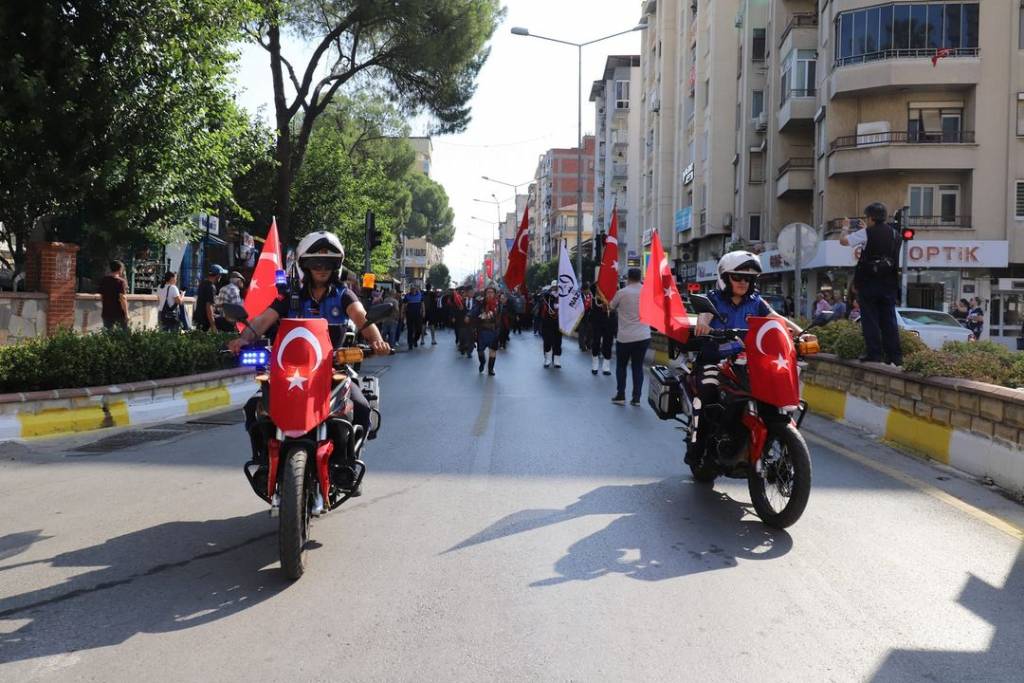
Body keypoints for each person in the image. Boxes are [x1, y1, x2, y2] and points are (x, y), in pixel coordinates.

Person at [228, 231, 390, 448]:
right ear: (305, 266)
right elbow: (261, 321)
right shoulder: (288, 297)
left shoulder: (343, 295)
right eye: (316, 263)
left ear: (336, 266)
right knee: (254, 406)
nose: (321, 269)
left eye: (327, 263)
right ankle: (263, 460)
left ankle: (348, 464)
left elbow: (363, 320)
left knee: (361, 408)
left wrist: (377, 342)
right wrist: (242, 339)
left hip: (333, 368)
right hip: (289, 371)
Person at [685, 251, 801, 464]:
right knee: (707, 392)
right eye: (737, 277)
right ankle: (697, 445)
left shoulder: (756, 302)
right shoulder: (714, 299)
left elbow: (777, 320)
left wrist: (801, 333)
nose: (742, 282)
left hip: (748, 362)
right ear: (725, 278)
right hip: (715, 361)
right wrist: (703, 323)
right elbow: (705, 315)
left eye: (748, 278)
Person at [840, 203, 902, 365]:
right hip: (889, 284)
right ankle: (894, 356)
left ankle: (874, 353)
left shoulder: (866, 233)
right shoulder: (895, 234)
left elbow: (844, 242)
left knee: (870, 319)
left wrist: (845, 228)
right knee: (889, 320)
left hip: (869, 283)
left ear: (870, 218)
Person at [608, 268, 650, 405]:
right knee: (638, 367)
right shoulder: (647, 292)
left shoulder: (622, 293)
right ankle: (636, 398)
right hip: (643, 335)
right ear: (640, 277)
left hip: (625, 337)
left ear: (628, 278)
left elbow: (611, 307)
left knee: (621, 366)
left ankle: (621, 396)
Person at [472, 286, 503, 375]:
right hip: (482, 331)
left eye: (491, 292)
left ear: (495, 294)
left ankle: (491, 369)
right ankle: (482, 362)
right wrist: (479, 316)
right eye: (488, 292)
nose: (489, 294)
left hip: (494, 331)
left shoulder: (498, 304)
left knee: (493, 351)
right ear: (485, 294)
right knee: (480, 351)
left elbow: (500, 315)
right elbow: (474, 312)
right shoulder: (480, 303)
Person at [589, 283, 616, 376]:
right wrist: (600, 283)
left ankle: (606, 367)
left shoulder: (614, 287)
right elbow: (592, 288)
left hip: (609, 319)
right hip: (597, 320)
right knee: (596, 341)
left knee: (608, 343)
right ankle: (595, 365)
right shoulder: (595, 287)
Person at [193, 264, 226, 331]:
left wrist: (219, 305)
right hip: (205, 320)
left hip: (199, 318)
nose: (221, 277)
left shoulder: (202, 284)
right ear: (218, 275)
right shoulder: (211, 287)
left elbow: (203, 301)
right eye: (221, 275)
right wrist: (213, 325)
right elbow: (208, 306)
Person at [99, 260, 129, 330]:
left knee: (108, 336)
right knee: (124, 334)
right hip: (119, 313)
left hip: (106, 312)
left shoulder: (104, 280)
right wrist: (126, 314)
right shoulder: (121, 282)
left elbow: (102, 297)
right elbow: (123, 298)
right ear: (120, 269)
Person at [540, 282, 562, 368]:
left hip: (558, 323)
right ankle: (547, 359)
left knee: (558, 342)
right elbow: (544, 295)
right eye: (554, 287)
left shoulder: (562, 297)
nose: (555, 289)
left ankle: (557, 360)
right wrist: (552, 295)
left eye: (557, 287)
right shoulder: (547, 296)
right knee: (547, 341)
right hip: (548, 322)